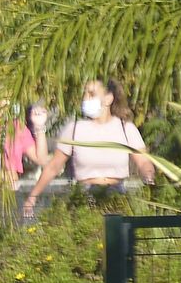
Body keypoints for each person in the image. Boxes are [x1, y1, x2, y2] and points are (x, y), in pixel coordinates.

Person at [24, 79, 156, 218]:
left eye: (92, 94)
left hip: (116, 199)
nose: (86, 98)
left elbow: (143, 161)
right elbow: (54, 167)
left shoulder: (126, 128)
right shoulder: (74, 129)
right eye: (85, 94)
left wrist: (148, 177)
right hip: (84, 200)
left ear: (108, 98)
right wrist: (32, 197)